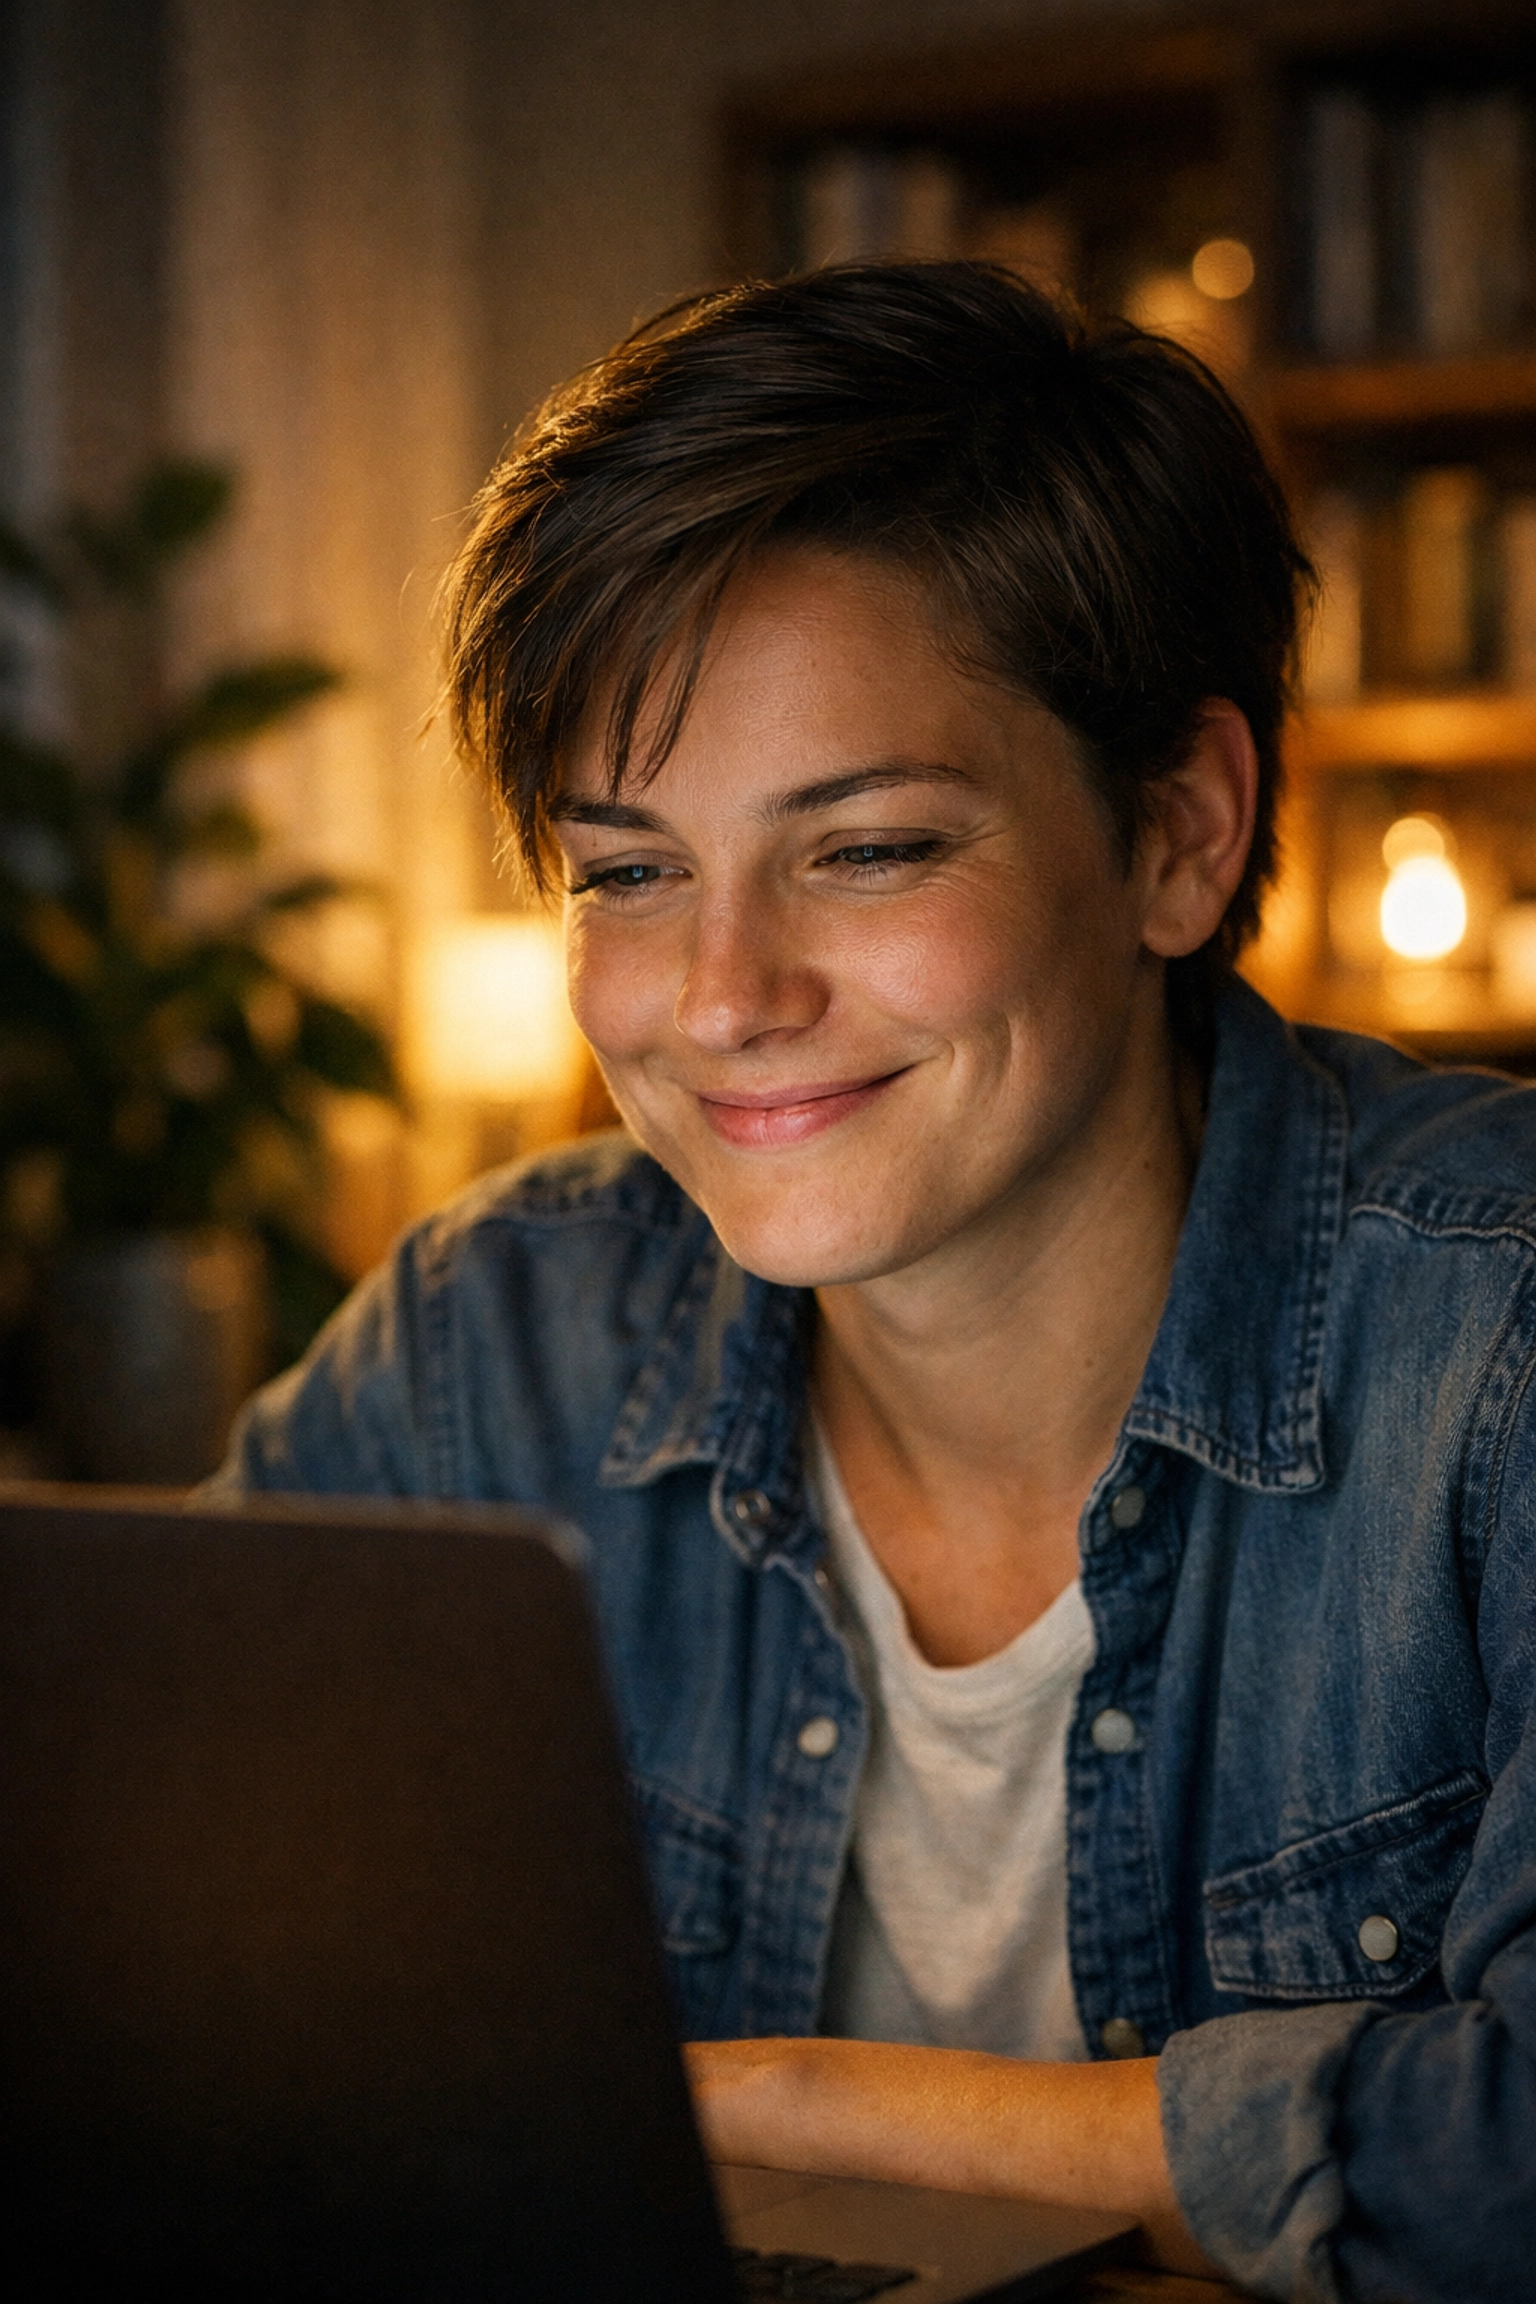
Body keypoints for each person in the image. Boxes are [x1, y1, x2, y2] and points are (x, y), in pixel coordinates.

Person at [210, 265, 1535, 2301]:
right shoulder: (501, 1341)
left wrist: (765, 2110)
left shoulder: (1499, 1347)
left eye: (869, 849)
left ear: (1180, 834)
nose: (723, 997)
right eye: (629, 871)